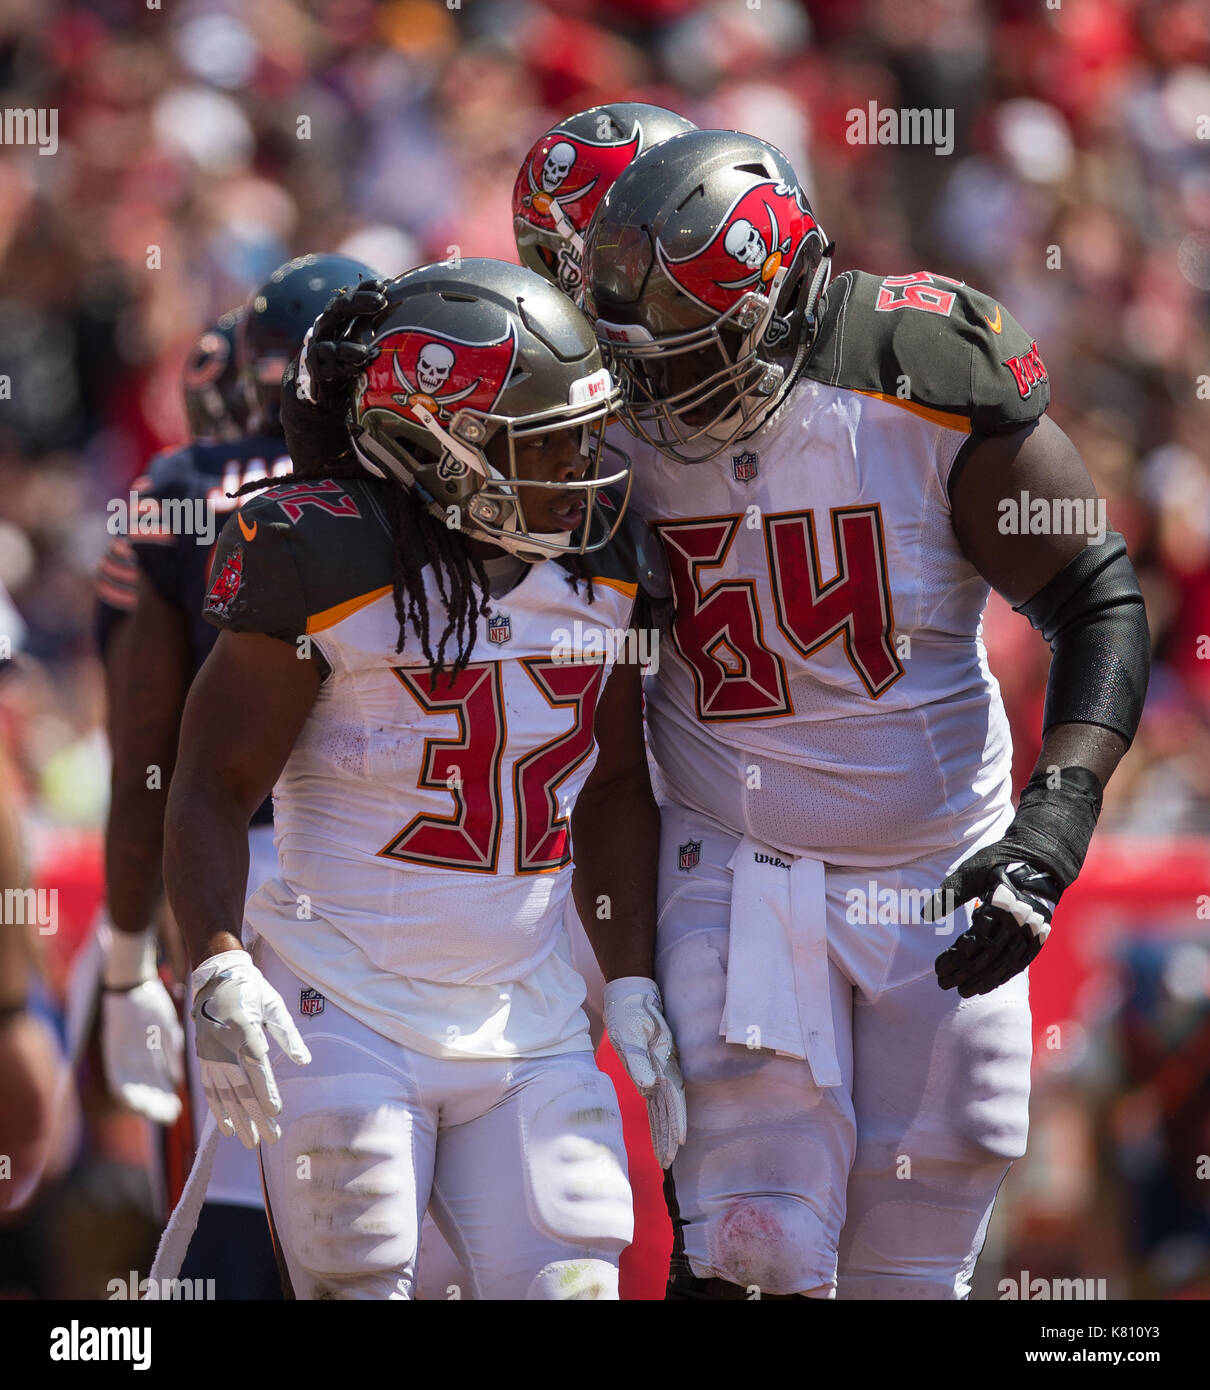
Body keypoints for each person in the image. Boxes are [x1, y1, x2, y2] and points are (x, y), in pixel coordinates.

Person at [580, 127, 1150, 1299]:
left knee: (914, 1259)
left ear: (784, 301)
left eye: (694, 351)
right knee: (756, 1241)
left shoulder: (918, 379)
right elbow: (598, 721)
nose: (660, 390)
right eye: (644, 358)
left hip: (935, 860)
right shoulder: (606, 419)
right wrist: (626, 959)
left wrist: (1049, 832)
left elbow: (1095, 600)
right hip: (735, 853)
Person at [162, 258, 681, 1300]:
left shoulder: (602, 560)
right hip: (343, 997)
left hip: (527, 1011)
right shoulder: (325, 554)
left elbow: (617, 783)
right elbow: (210, 782)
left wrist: (626, 978)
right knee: (359, 1271)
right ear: (439, 446)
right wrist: (216, 958)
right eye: (546, 440)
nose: (582, 466)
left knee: (576, 1274)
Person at [94, 255, 375, 1297]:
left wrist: (128, 961)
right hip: (408, 872)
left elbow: (147, 764)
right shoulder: (413, 489)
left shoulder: (175, 495)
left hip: (230, 883)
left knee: (234, 1204)